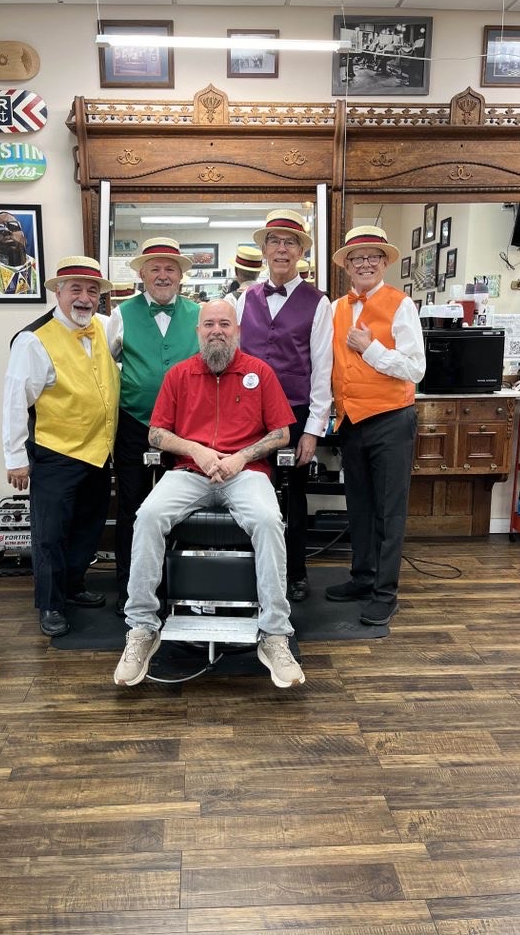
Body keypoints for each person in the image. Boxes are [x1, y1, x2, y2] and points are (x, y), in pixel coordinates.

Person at [113, 300, 304, 689]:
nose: (217, 330)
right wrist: (196, 450)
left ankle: (274, 635)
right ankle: (142, 628)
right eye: (209, 325)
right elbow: (155, 434)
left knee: (269, 521)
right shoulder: (179, 375)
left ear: (238, 331)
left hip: (245, 473)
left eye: (225, 324)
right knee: (146, 517)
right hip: (189, 472)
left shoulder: (259, 372)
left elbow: (283, 433)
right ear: (197, 332)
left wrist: (240, 458)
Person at [2, 256, 119, 637]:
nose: (84, 298)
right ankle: (51, 604)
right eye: (76, 290)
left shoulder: (102, 326)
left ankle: (74, 586)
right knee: (50, 533)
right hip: (56, 453)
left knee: (88, 527)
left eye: (92, 291)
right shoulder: (33, 340)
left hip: (99, 452)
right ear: (57, 292)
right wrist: (16, 459)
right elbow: (14, 400)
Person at [326, 225, 426, 626]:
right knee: (360, 508)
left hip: (391, 421)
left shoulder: (402, 305)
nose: (365, 263)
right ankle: (363, 577)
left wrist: (371, 349)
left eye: (373, 256)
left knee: (389, 512)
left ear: (384, 262)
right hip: (351, 421)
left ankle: (386, 592)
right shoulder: (336, 308)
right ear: (346, 266)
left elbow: (415, 368)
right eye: (356, 257)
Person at [237, 209, 333, 603]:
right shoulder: (244, 299)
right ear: (263, 250)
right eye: (274, 241)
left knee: (293, 497)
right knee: (249, 493)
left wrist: (313, 429)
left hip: (293, 415)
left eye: (289, 242)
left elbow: (322, 370)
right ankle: (250, 571)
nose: (281, 248)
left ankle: (295, 572)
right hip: (249, 415)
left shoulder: (319, 303)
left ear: (300, 253)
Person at [106, 237, 200, 617]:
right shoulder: (121, 314)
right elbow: (107, 362)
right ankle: (131, 588)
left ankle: (178, 582)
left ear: (180, 276)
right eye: (155, 268)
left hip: (184, 428)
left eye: (170, 268)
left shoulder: (199, 313)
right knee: (132, 507)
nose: (163, 275)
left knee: (180, 506)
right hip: (133, 424)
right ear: (142, 274)